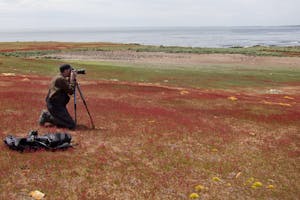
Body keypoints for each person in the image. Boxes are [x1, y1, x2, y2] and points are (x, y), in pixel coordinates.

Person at [38, 64, 77, 129]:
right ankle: (47, 116)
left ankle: (52, 117)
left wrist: (70, 79)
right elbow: (71, 91)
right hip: (55, 105)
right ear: (66, 71)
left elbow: (65, 85)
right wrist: (72, 80)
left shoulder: (59, 77)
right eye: (70, 70)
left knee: (68, 122)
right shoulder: (60, 79)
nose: (71, 72)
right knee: (71, 125)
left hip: (56, 104)